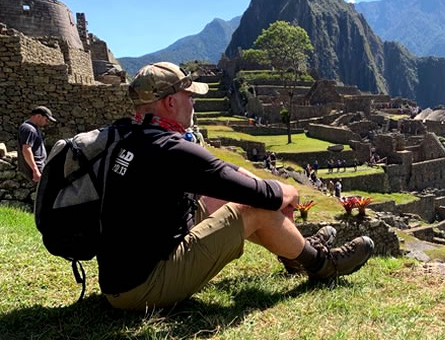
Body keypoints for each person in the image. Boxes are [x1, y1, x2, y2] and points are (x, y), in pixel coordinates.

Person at [98, 62, 374, 310]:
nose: (193, 103)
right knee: (254, 209)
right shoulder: (171, 150)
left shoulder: (130, 137)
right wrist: (289, 191)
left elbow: (221, 173)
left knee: (214, 199)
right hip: (141, 289)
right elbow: (262, 197)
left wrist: (252, 179)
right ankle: (323, 265)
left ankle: (296, 252)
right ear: (170, 102)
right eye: (190, 96)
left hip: (122, 277)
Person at [17, 106, 56, 182]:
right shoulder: (29, 129)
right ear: (38, 116)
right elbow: (26, 150)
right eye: (46, 119)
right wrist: (35, 170)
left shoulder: (33, 128)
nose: (47, 122)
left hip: (39, 168)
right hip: (37, 169)